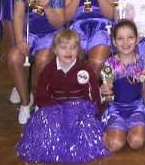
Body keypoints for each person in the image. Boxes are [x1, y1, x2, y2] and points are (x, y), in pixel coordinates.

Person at [16, 29, 109, 164]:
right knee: (49, 126)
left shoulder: (84, 70)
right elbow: (41, 94)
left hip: (78, 112)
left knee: (83, 127)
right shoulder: (49, 70)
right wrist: (55, 109)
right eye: (63, 47)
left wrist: (94, 112)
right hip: (55, 110)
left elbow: (93, 95)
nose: (68, 51)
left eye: (73, 47)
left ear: (78, 50)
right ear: (55, 49)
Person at [8, 0, 65, 124]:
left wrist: (47, 7)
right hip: (29, 35)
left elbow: (59, 22)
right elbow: (18, 16)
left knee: (42, 59)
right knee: (13, 57)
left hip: (50, 35)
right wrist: (19, 40)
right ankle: (26, 102)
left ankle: (42, 100)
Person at [101, 20, 145, 152]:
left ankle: (130, 130)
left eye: (130, 38)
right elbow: (107, 97)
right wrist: (103, 90)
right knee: (115, 144)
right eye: (120, 38)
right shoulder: (109, 64)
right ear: (114, 41)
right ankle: (112, 131)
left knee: (136, 142)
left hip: (137, 109)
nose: (125, 43)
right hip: (115, 110)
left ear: (137, 39)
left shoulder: (143, 62)